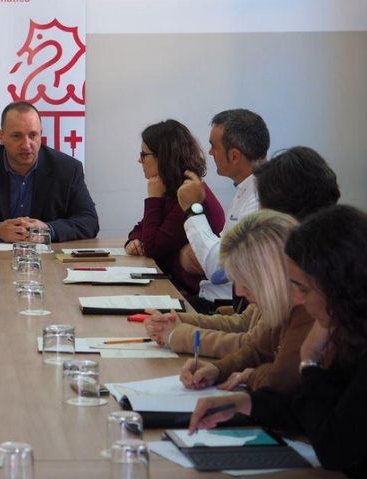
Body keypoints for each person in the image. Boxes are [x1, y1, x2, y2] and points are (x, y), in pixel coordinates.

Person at [189, 205, 367, 477]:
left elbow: (334, 447)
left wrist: (310, 361)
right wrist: (242, 404)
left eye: (304, 288)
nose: (298, 298)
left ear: (338, 288)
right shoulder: (346, 329)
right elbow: (307, 407)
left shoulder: (333, 333)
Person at [146, 145, 341, 354]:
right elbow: (250, 323)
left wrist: (178, 334)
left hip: (219, 303)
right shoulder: (299, 250)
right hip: (229, 310)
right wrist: (178, 321)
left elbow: (217, 270)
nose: (210, 152)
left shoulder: (303, 268)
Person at [177, 211, 313, 394]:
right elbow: (257, 350)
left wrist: (252, 375)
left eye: (246, 282)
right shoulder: (284, 303)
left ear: (272, 277)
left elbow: (280, 383)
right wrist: (218, 369)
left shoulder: (308, 310)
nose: (239, 291)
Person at [0, 101, 99, 243]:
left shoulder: (68, 169)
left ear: (41, 135)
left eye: (33, 135)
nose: (26, 145)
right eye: (17, 136)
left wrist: (48, 230)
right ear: (1, 136)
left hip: (48, 260)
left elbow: (89, 221)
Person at [177, 109, 269, 312]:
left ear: (234, 155)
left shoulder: (260, 199)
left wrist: (193, 211)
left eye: (213, 146)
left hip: (224, 309)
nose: (210, 153)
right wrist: (199, 254)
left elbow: (217, 270)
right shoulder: (244, 189)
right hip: (211, 301)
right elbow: (220, 256)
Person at [125, 120, 225, 297]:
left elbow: (153, 247)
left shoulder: (189, 194)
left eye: (144, 154)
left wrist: (153, 199)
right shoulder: (170, 188)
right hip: (173, 285)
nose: (139, 160)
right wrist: (134, 240)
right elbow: (141, 228)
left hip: (194, 296)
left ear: (162, 157)